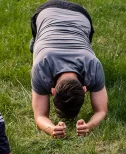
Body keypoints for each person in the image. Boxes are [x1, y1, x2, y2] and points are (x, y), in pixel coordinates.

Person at [30, 0, 108, 138]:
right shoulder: (41, 67)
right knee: (38, 40)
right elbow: (101, 111)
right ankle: (36, 41)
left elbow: (40, 116)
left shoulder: (93, 64)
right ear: (85, 89)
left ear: (53, 91)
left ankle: (38, 41)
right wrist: (51, 129)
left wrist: (89, 126)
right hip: (55, 13)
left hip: (73, 15)